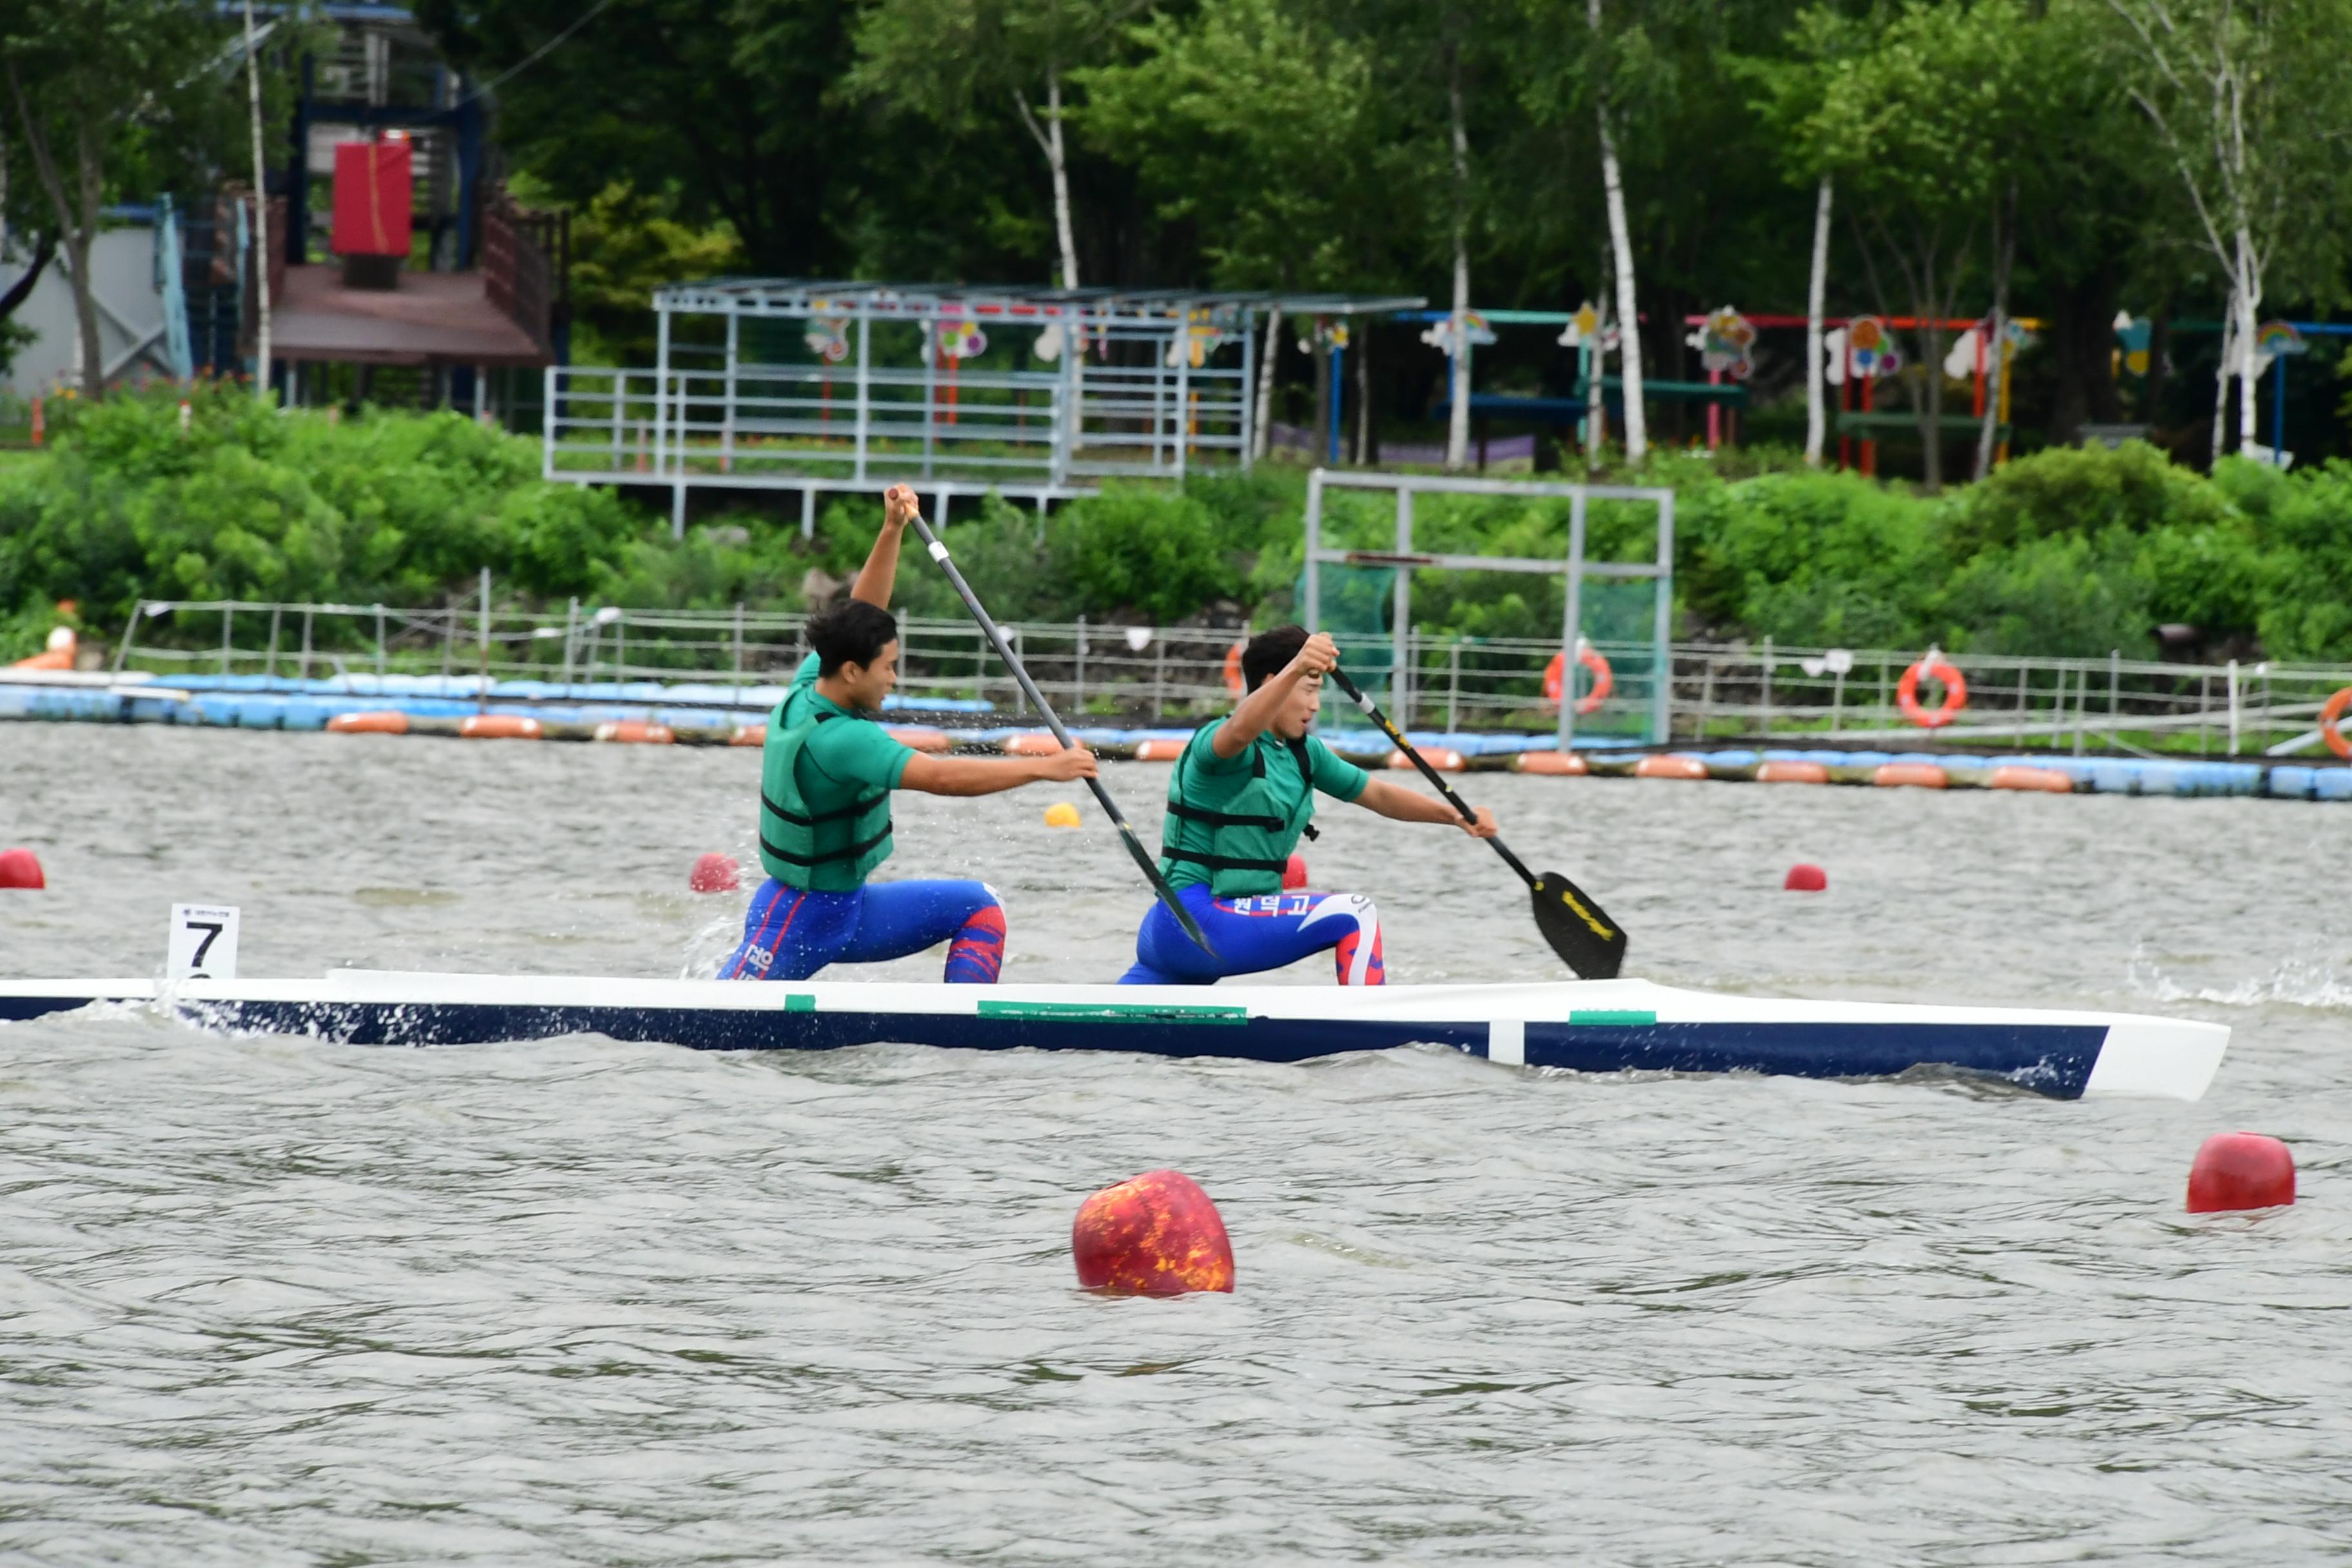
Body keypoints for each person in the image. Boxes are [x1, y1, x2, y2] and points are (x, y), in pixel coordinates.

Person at [722, 485, 1097, 983]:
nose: (895, 680)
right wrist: (1045, 768)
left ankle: (959, 1030)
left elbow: (864, 611)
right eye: (890, 668)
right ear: (854, 672)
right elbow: (940, 778)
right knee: (713, 1025)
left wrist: (892, 529)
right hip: (800, 919)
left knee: (980, 909)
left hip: (847, 910)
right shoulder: (842, 741)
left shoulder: (817, 676)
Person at [1117, 624, 1498, 987]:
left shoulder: (1304, 754)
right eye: (1308, 689)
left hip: (1174, 935)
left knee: (1106, 1029)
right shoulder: (1219, 744)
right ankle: (1372, 1028)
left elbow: (1379, 795)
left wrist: (1458, 817)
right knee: (1355, 914)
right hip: (1196, 921)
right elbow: (1239, 731)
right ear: (1273, 684)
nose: (1315, 706)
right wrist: (1299, 663)